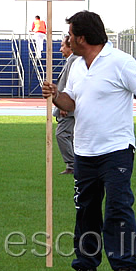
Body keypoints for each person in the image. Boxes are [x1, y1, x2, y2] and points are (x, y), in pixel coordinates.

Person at [42, 11, 136, 271]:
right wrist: (56, 97)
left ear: (82, 37)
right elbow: (72, 104)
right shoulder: (76, 65)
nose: (68, 39)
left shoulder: (120, 62)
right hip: (84, 151)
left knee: (118, 207)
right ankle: (86, 265)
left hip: (116, 150)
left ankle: (126, 265)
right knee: (86, 210)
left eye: (70, 34)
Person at [53, 35, 78, 175]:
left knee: (62, 134)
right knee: (71, 135)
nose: (60, 49)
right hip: (67, 104)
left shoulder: (73, 61)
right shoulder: (72, 61)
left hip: (67, 106)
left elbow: (69, 84)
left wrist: (63, 105)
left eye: (63, 46)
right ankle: (76, 164)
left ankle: (72, 164)